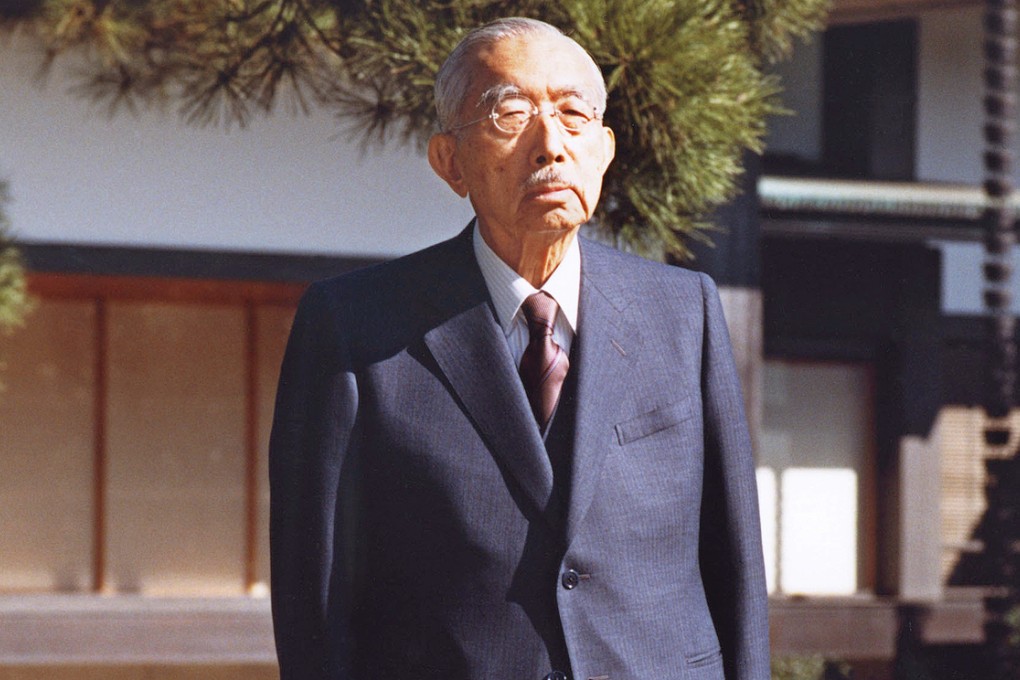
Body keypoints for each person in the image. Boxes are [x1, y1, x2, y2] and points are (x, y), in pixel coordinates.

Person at [269, 16, 769, 680]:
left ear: (605, 148)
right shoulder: (355, 325)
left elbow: (734, 562)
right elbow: (314, 590)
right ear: (449, 162)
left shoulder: (684, 312)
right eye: (510, 114)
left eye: (572, 115)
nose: (551, 146)